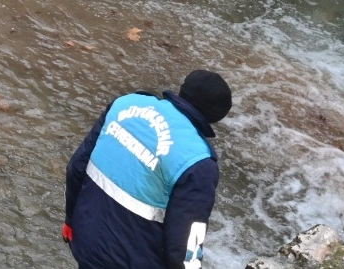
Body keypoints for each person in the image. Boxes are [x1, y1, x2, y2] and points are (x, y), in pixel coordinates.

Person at [63, 69, 234, 269]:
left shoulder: (126, 104)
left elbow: (76, 167)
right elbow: (184, 246)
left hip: (86, 242)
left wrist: (70, 220)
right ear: (216, 117)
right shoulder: (198, 162)